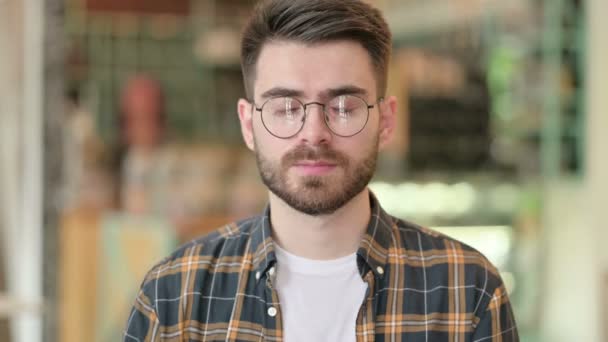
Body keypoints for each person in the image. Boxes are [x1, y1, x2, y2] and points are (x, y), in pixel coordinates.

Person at [124, 0, 519, 341]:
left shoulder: (467, 293)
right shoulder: (174, 296)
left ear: (385, 121)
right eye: (285, 107)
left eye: (344, 106)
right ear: (248, 124)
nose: (314, 134)